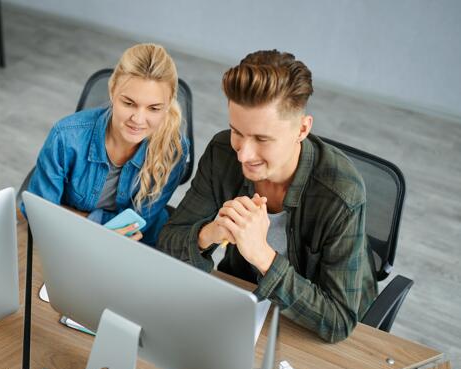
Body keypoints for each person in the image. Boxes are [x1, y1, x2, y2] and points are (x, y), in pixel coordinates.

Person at [158, 50, 376, 342]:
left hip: (309, 332)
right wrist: (208, 234)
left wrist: (262, 255)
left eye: (262, 139)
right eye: (237, 131)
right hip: (246, 310)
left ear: (302, 129)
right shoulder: (223, 153)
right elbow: (169, 243)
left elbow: (337, 321)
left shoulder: (341, 193)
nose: (244, 154)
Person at [24, 43, 190, 246]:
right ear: (112, 91)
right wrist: (97, 226)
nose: (138, 119)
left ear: (168, 104)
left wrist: (78, 217)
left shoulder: (174, 150)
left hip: (135, 245)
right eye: (129, 103)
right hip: (68, 240)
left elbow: (140, 223)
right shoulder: (66, 136)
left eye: (154, 108)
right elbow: (39, 212)